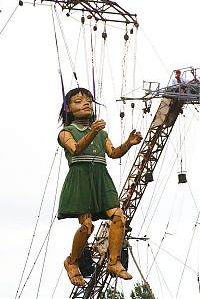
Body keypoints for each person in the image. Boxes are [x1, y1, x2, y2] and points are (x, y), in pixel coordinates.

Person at [57, 87, 143, 287]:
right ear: (68, 108)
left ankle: (113, 262)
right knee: (87, 227)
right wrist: (92, 131)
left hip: (101, 177)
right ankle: (71, 262)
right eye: (78, 101)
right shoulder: (66, 132)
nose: (86, 103)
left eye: (88, 100)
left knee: (119, 217)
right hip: (81, 178)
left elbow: (112, 153)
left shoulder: (101, 133)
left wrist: (128, 144)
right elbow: (76, 150)